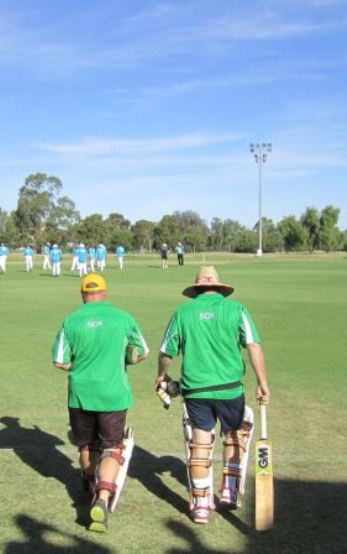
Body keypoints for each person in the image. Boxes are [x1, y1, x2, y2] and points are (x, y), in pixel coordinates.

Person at [155, 266, 270, 524]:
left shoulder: (183, 312)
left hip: (196, 391)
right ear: (219, 288)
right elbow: (253, 346)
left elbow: (166, 353)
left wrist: (161, 376)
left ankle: (201, 506)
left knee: (200, 443)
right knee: (234, 437)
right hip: (230, 388)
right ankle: (229, 491)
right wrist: (263, 383)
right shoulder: (237, 309)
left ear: (196, 289)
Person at [52, 273, 149, 532]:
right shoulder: (123, 317)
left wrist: (79, 366)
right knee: (112, 448)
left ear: (83, 294)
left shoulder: (71, 320)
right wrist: (127, 359)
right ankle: (103, 497)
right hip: (113, 394)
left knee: (86, 445)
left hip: (81, 394)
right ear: (105, 293)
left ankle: (90, 487)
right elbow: (142, 352)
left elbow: (60, 361)